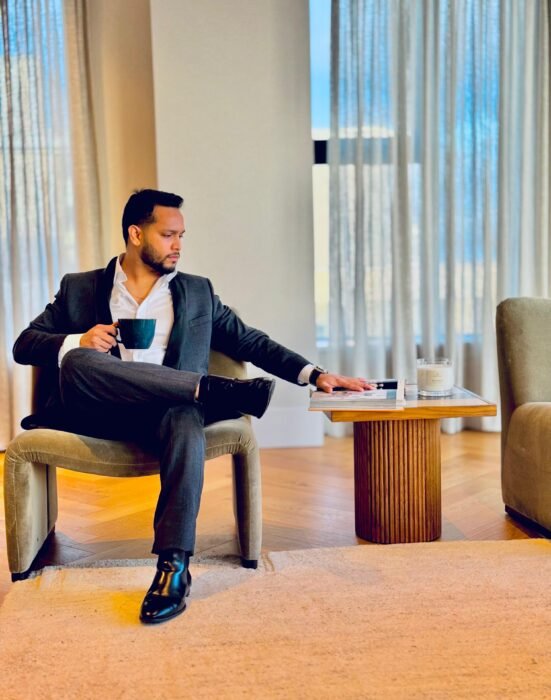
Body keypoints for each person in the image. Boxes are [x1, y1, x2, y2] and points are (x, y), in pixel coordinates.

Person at [13, 189, 372, 625]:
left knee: (184, 414)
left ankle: (173, 567)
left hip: (168, 412)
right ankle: (208, 389)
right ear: (135, 234)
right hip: (98, 412)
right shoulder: (80, 287)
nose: (178, 245)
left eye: (181, 235)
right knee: (77, 361)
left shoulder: (197, 292)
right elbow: (23, 345)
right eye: (168, 235)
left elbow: (250, 341)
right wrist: (78, 339)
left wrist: (315, 374)